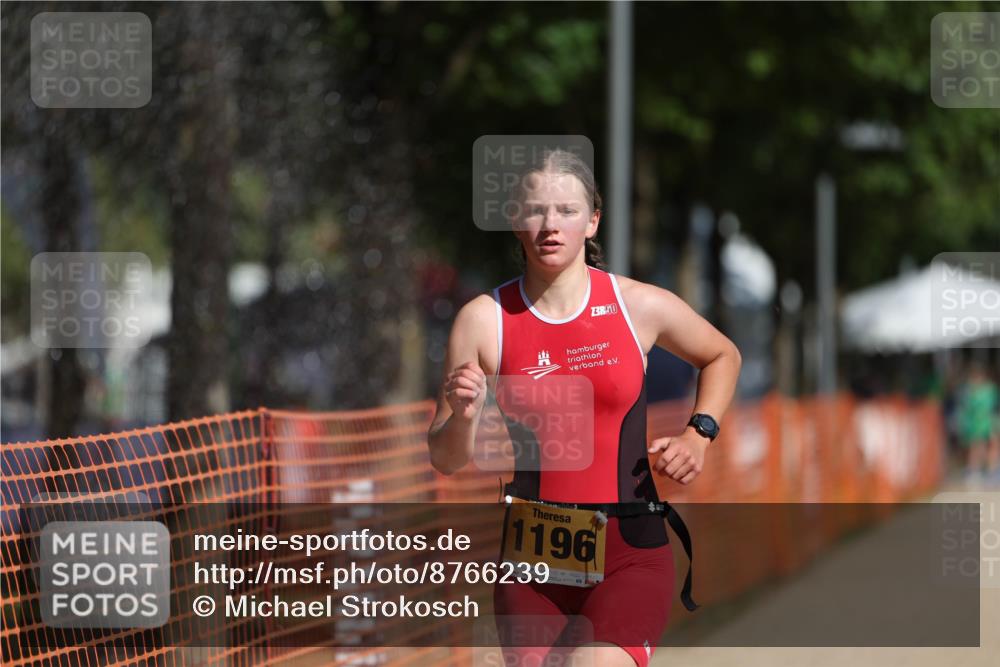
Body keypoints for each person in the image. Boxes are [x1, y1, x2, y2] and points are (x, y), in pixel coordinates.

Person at [427, 149, 741, 666]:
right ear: (515, 220)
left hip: (629, 550)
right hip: (533, 562)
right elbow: (445, 457)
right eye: (536, 210)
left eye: (567, 210)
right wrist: (462, 417)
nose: (551, 225)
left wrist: (698, 433)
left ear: (593, 220)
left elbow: (722, 354)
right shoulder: (484, 321)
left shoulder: (636, 305)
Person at [956, 361, 999, 485]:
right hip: (976, 425)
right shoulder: (970, 392)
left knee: (992, 446)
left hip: (989, 422)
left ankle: (992, 471)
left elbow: (995, 408)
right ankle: (975, 471)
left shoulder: (991, 390)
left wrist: (994, 424)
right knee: (976, 447)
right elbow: (967, 410)